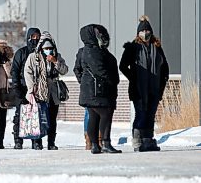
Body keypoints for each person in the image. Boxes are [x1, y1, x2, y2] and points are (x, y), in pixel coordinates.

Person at [119, 16, 169, 152]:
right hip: (138, 89)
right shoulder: (132, 48)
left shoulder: (157, 48)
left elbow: (165, 67)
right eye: (143, 30)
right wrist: (133, 78)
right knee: (140, 114)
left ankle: (148, 141)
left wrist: (162, 82)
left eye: (147, 30)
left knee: (150, 115)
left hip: (154, 88)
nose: (145, 33)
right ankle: (137, 141)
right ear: (138, 33)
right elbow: (122, 66)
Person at [74, 25, 121, 154]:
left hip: (93, 90)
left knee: (94, 116)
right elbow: (100, 70)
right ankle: (105, 143)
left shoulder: (94, 50)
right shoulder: (92, 51)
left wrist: (84, 82)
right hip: (97, 90)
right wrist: (111, 81)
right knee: (105, 115)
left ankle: (95, 145)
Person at [24, 31, 68, 150]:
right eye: (46, 48)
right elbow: (27, 72)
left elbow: (64, 70)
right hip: (39, 90)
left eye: (50, 47)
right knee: (38, 117)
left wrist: (55, 62)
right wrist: (31, 87)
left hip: (53, 91)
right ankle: (37, 142)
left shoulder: (57, 56)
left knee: (52, 118)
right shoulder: (34, 57)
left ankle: (51, 142)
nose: (48, 50)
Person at [11, 27, 41, 149]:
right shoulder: (21, 53)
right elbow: (15, 71)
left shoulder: (41, 53)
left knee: (37, 116)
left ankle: (36, 140)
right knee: (20, 115)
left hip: (37, 89)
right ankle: (18, 140)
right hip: (23, 88)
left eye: (37, 37)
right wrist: (17, 88)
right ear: (28, 37)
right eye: (33, 37)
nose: (35, 39)